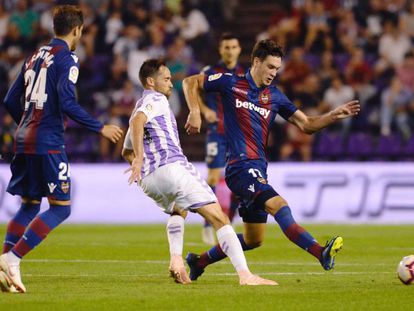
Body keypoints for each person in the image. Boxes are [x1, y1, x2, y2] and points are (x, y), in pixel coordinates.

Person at [182, 39, 360, 281]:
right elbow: (190, 81)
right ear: (256, 62)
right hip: (239, 168)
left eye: (277, 68)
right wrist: (195, 111)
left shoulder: (274, 96)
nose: (274, 73)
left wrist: (332, 116)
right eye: (270, 67)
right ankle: (320, 252)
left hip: (259, 170)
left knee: (254, 239)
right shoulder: (230, 82)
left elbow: (306, 124)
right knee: (279, 205)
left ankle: (198, 261)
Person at [0, 5, 123, 293]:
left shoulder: (33, 57)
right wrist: (100, 127)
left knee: (30, 205)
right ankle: (12, 258)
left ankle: (4, 264)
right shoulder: (68, 59)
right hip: (47, 142)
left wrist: (28, 123)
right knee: (61, 208)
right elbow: (67, 103)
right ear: (77, 29)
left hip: (23, 138)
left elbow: (9, 99)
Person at [123, 58, 276, 286]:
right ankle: (246, 275)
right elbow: (138, 121)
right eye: (165, 79)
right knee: (220, 218)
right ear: (150, 82)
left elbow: (126, 149)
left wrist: (138, 162)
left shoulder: (139, 104)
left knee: (179, 210)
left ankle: (176, 260)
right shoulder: (155, 99)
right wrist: (140, 158)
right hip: (171, 169)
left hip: (149, 181)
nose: (170, 84)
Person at [200, 32, 245, 245]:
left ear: (239, 50)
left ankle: (231, 220)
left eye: (233, 47)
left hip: (238, 134)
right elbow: (194, 90)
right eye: (226, 47)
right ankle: (209, 224)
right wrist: (204, 109)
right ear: (220, 49)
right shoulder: (210, 72)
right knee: (213, 177)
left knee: (237, 180)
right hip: (216, 133)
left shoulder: (246, 74)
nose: (230, 51)